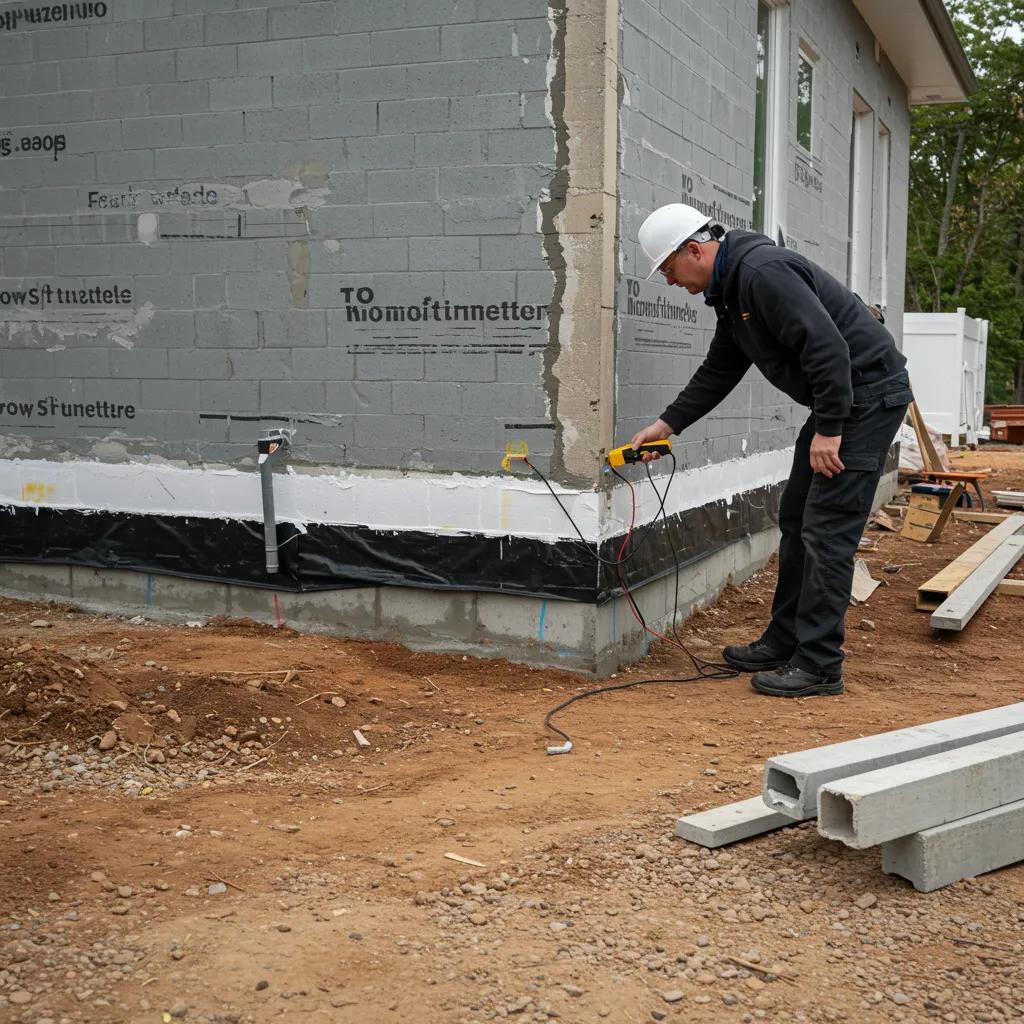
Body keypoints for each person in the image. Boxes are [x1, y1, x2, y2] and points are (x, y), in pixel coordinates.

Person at [630, 203, 912, 698]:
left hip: (863, 398)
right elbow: (721, 367)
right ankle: (785, 641)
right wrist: (666, 424)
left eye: (670, 270)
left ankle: (820, 664)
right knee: (798, 520)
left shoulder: (763, 274)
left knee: (827, 531)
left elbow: (829, 349)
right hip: (844, 399)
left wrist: (829, 429)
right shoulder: (733, 289)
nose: (671, 282)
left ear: (694, 250)